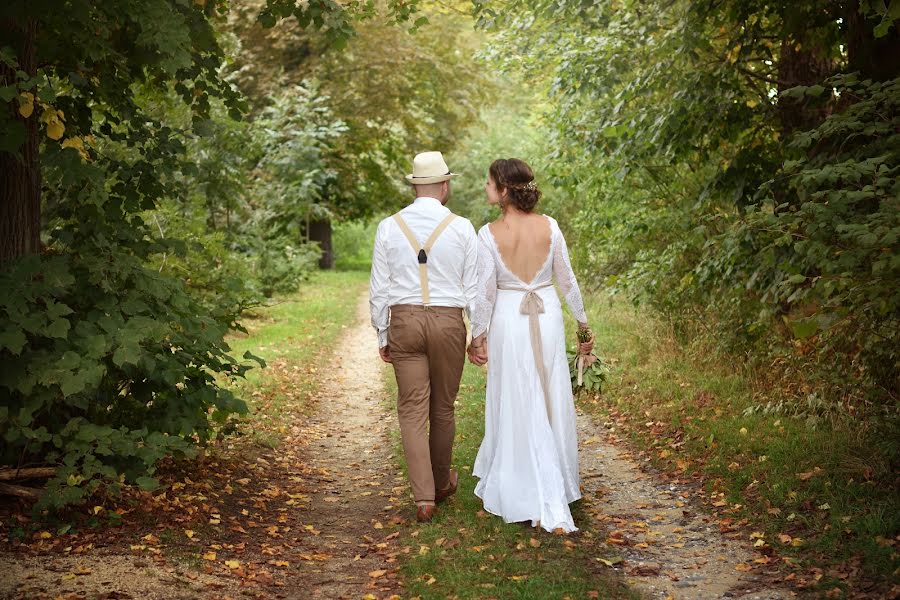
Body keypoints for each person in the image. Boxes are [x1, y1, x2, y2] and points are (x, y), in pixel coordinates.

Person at [468, 157, 594, 533]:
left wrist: (477, 335)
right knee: (548, 390)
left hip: (509, 318)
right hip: (548, 313)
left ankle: (522, 483)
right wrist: (583, 324)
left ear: (504, 190)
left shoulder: (488, 234)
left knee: (516, 393)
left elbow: (484, 293)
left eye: (489, 182)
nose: (485, 187)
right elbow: (567, 281)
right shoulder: (550, 227)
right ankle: (552, 479)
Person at [369, 151, 478, 523]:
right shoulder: (463, 228)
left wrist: (382, 331)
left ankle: (423, 499)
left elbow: (379, 288)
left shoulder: (389, 226)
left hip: (404, 320)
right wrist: (477, 333)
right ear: (445, 186)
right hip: (448, 321)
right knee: (443, 407)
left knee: (412, 409)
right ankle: (442, 482)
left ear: (415, 186)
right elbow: (474, 287)